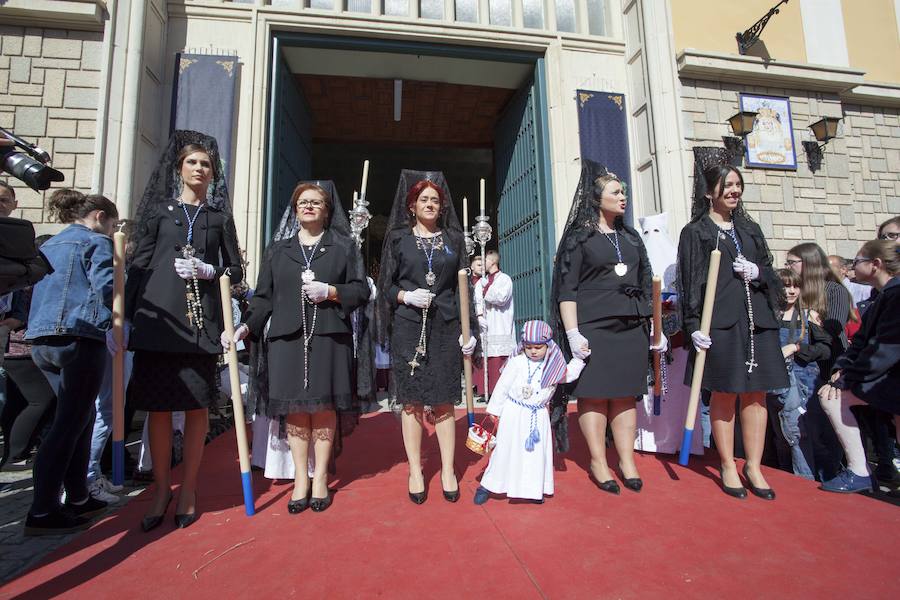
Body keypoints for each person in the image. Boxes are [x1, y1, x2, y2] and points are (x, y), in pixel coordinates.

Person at [225, 181, 370, 513]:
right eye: (303, 202)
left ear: (327, 210)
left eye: (316, 202)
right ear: (294, 209)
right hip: (287, 341)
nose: (309, 206)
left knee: (322, 409)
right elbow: (263, 298)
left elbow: (360, 290)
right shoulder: (278, 250)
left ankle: (319, 478)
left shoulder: (343, 246)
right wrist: (246, 326)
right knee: (295, 410)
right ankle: (300, 479)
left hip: (329, 338)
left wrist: (331, 292)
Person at [124, 131, 243, 531]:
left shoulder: (218, 219)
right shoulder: (160, 213)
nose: (199, 169)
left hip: (199, 323)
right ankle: (161, 488)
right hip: (160, 321)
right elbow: (138, 266)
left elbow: (236, 271)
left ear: (213, 174)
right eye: (192, 162)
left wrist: (212, 271)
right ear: (180, 169)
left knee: (196, 408)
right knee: (158, 411)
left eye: (206, 164)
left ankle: (189, 487)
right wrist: (122, 318)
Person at [552, 160, 666, 495]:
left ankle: (626, 460)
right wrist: (573, 334)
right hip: (593, 326)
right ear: (596, 198)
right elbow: (566, 290)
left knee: (624, 395)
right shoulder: (579, 238)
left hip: (630, 326)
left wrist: (653, 326)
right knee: (595, 395)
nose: (623, 197)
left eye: (624, 192)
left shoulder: (630, 237)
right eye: (616, 192)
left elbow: (646, 281)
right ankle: (599, 461)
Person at [677, 161, 788, 500]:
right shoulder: (696, 232)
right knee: (725, 394)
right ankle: (727, 464)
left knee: (757, 395)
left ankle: (753, 465)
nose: (734, 190)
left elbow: (771, 273)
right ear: (710, 191)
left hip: (758, 325)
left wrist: (758, 271)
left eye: (738, 184)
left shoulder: (750, 229)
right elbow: (690, 284)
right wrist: (693, 326)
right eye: (727, 184)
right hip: (721, 325)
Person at [376, 170, 475, 504]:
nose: (430, 204)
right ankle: (416, 469)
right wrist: (406, 297)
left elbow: (465, 288)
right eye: (424, 199)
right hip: (408, 326)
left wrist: (469, 330)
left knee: (445, 399)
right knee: (413, 401)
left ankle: (447, 469)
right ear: (412, 205)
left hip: (445, 326)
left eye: (435, 199)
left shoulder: (454, 240)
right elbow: (386, 287)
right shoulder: (399, 239)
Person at [23, 189, 118, 535]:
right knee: (69, 423)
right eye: (113, 225)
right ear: (98, 218)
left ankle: (77, 496)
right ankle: (43, 509)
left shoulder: (49, 245)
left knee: (80, 416)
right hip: (79, 336)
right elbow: (106, 286)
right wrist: (114, 318)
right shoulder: (97, 242)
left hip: (42, 338)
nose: (113, 231)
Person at [818, 240, 900, 493]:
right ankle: (860, 472)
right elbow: (862, 341)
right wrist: (842, 368)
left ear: (875, 264)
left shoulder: (895, 295)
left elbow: (886, 348)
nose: (853, 267)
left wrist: (847, 378)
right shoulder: (883, 295)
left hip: (891, 376)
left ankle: (859, 470)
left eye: (857, 262)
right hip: (886, 376)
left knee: (833, 398)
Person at [474, 320, 584, 504]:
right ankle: (489, 485)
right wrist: (495, 412)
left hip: (538, 415)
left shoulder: (553, 365)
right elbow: (502, 387)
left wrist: (579, 359)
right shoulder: (516, 362)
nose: (533, 351)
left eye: (538, 347)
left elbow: (568, 374)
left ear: (548, 345)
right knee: (505, 450)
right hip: (513, 413)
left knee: (534, 454)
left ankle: (532, 490)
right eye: (528, 346)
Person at [784, 242, 852, 481]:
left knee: (828, 430)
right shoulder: (799, 290)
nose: (788, 267)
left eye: (792, 262)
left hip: (829, 365)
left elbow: (834, 329)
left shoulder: (834, 290)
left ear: (809, 262)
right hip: (803, 368)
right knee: (807, 428)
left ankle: (835, 475)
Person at [766, 269, 831, 480]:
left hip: (803, 381)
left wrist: (796, 348)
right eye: (786, 285)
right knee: (779, 432)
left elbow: (826, 349)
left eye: (795, 286)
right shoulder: (769, 315)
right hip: (774, 380)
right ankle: (785, 474)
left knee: (801, 432)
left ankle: (809, 477)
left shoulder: (807, 316)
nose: (791, 290)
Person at [473, 249, 515, 397]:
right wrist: (479, 316)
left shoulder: (505, 279)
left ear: (492, 261)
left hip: (499, 323)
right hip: (485, 325)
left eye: (485, 260)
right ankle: (486, 391)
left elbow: (501, 298)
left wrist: (486, 288)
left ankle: (500, 392)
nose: (482, 264)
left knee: (498, 358)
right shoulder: (481, 281)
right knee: (485, 356)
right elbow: (477, 300)